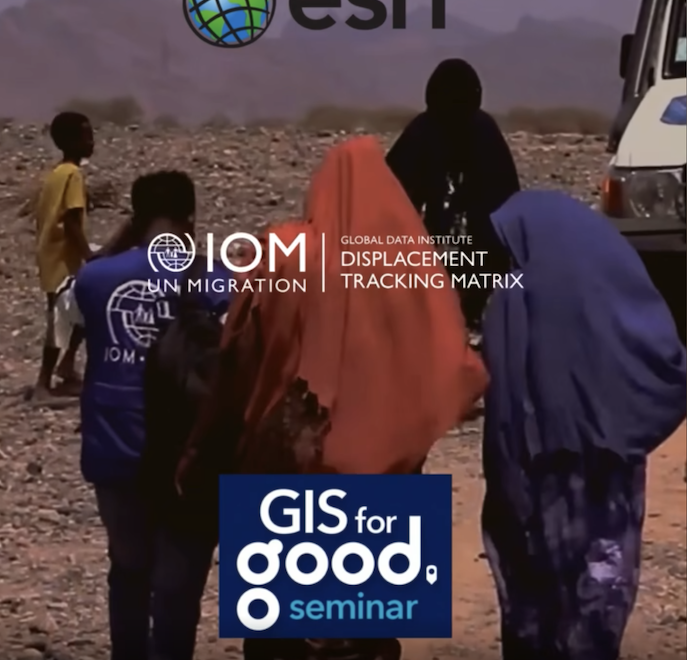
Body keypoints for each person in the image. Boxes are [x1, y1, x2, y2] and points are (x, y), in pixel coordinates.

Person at [176, 136, 488, 660]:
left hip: (286, 462)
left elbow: (238, 358)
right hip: (385, 472)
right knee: (367, 630)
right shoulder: (409, 266)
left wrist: (201, 446)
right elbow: (450, 361)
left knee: (280, 635)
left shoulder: (283, 250)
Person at [480, 190, 687, 660]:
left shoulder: (515, 300)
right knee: (598, 584)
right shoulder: (615, 282)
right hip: (607, 472)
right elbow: (666, 366)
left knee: (540, 599)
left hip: (539, 483)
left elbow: (505, 423)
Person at [57, 170, 233, 660]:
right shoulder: (214, 278)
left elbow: (71, 322)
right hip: (186, 455)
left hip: (113, 446)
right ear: (190, 217)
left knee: (128, 568)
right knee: (178, 587)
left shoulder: (95, 278)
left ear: (135, 216)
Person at [386, 59, 520, 329]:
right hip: (478, 247)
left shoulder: (426, 129)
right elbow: (509, 197)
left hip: (453, 243)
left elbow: (393, 189)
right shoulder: (481, 130)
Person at [33, 111, 95, 401]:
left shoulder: (56, 174)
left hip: (53, 255)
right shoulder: (72, 175)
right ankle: (43, 385)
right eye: (86, 136)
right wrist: (90, 257)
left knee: (81, 314)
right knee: (61, 320)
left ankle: (67, 369)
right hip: (63, 259)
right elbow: (71, 221)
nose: (91, 141)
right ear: (70, 141)